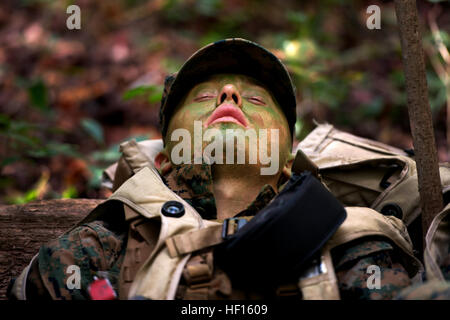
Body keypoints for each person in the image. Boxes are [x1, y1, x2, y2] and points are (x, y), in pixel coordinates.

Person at [8, 38, 448, 300]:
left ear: (287, 163)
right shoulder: (96, 248)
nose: (230, 94)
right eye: (204, 98)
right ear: (164, 160)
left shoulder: (351, 240)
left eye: (256, 101)